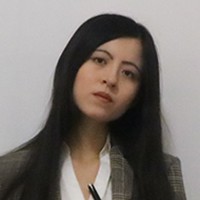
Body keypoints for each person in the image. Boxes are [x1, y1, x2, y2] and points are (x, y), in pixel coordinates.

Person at [0, 14, 186, 200]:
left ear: (138, 95)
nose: (111, 79)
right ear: (72, 66)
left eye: (128, 73)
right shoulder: (9, 171)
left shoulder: (162, 173)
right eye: (100, 60)